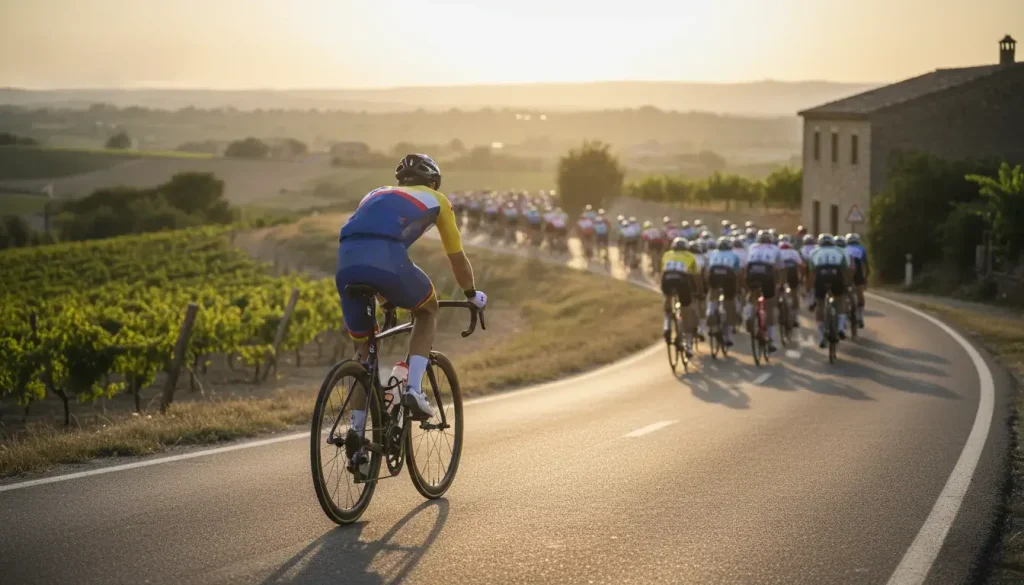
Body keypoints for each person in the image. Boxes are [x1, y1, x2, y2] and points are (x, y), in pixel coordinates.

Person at [336, 154, 488, 467]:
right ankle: (415, 391)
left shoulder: (374, 193)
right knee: (427, 309)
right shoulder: (437, 199)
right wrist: (472, 294)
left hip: (346, 261)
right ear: (433, 182)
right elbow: (456, 257)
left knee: (363, 350)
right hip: (386, 258)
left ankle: (356, 438)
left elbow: (365, 243)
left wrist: (384, 300)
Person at [743, 230, 785, 352]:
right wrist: (780, 284)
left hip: (752, 271)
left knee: (752, 295)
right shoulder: (775, 248)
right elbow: (780, 268)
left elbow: (746, 265)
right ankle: (771, 339)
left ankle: (750, 314)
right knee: (770, 306)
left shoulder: (752, 246)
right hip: (767, 272)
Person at [807, 234, 850, 347]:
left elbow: (811, 273)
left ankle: (821, 336)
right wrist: (846, 283)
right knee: (840, 300)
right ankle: (841, 328)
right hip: (836, 274)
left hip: (820, 275)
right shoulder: (839, 251)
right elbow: (845, 269)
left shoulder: (814, 252)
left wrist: (810, 288)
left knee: (820, 305)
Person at [661, 237, 700, 358]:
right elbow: (695, 276)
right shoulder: (690, 256)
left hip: (667, 278)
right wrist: (697, 291)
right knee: (686, 310)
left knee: (668, 300)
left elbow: (663, 270)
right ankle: (688, 345)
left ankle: (667, 326)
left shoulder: (667, 254)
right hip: (682, 280)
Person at [706, 237, 741, 347]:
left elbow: (707, 271)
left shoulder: (712, 254)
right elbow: (737, 274)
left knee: (713, 293)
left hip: (714, 273)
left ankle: (710, 312)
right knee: (729, 304)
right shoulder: (734, 255)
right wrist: (738, 288)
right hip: (728, 274)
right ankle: (729, 336)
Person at [778, 235, 804, 327]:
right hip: (793, 272)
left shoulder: (778, 251)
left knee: (778, 290)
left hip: (781, 272)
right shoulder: (794, 252)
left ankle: (779, 311)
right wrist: (801, 278)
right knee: (794, 293)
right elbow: (801, 265)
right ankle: (795, 318)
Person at [846, 233, 869, 328]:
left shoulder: (844, 248)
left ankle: (844, 313)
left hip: (847, 271)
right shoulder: (861, 248)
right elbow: (866, 266)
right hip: (858, 271)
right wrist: (865, 278)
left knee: (843, 293)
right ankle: (859, 316)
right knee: (860, 294)